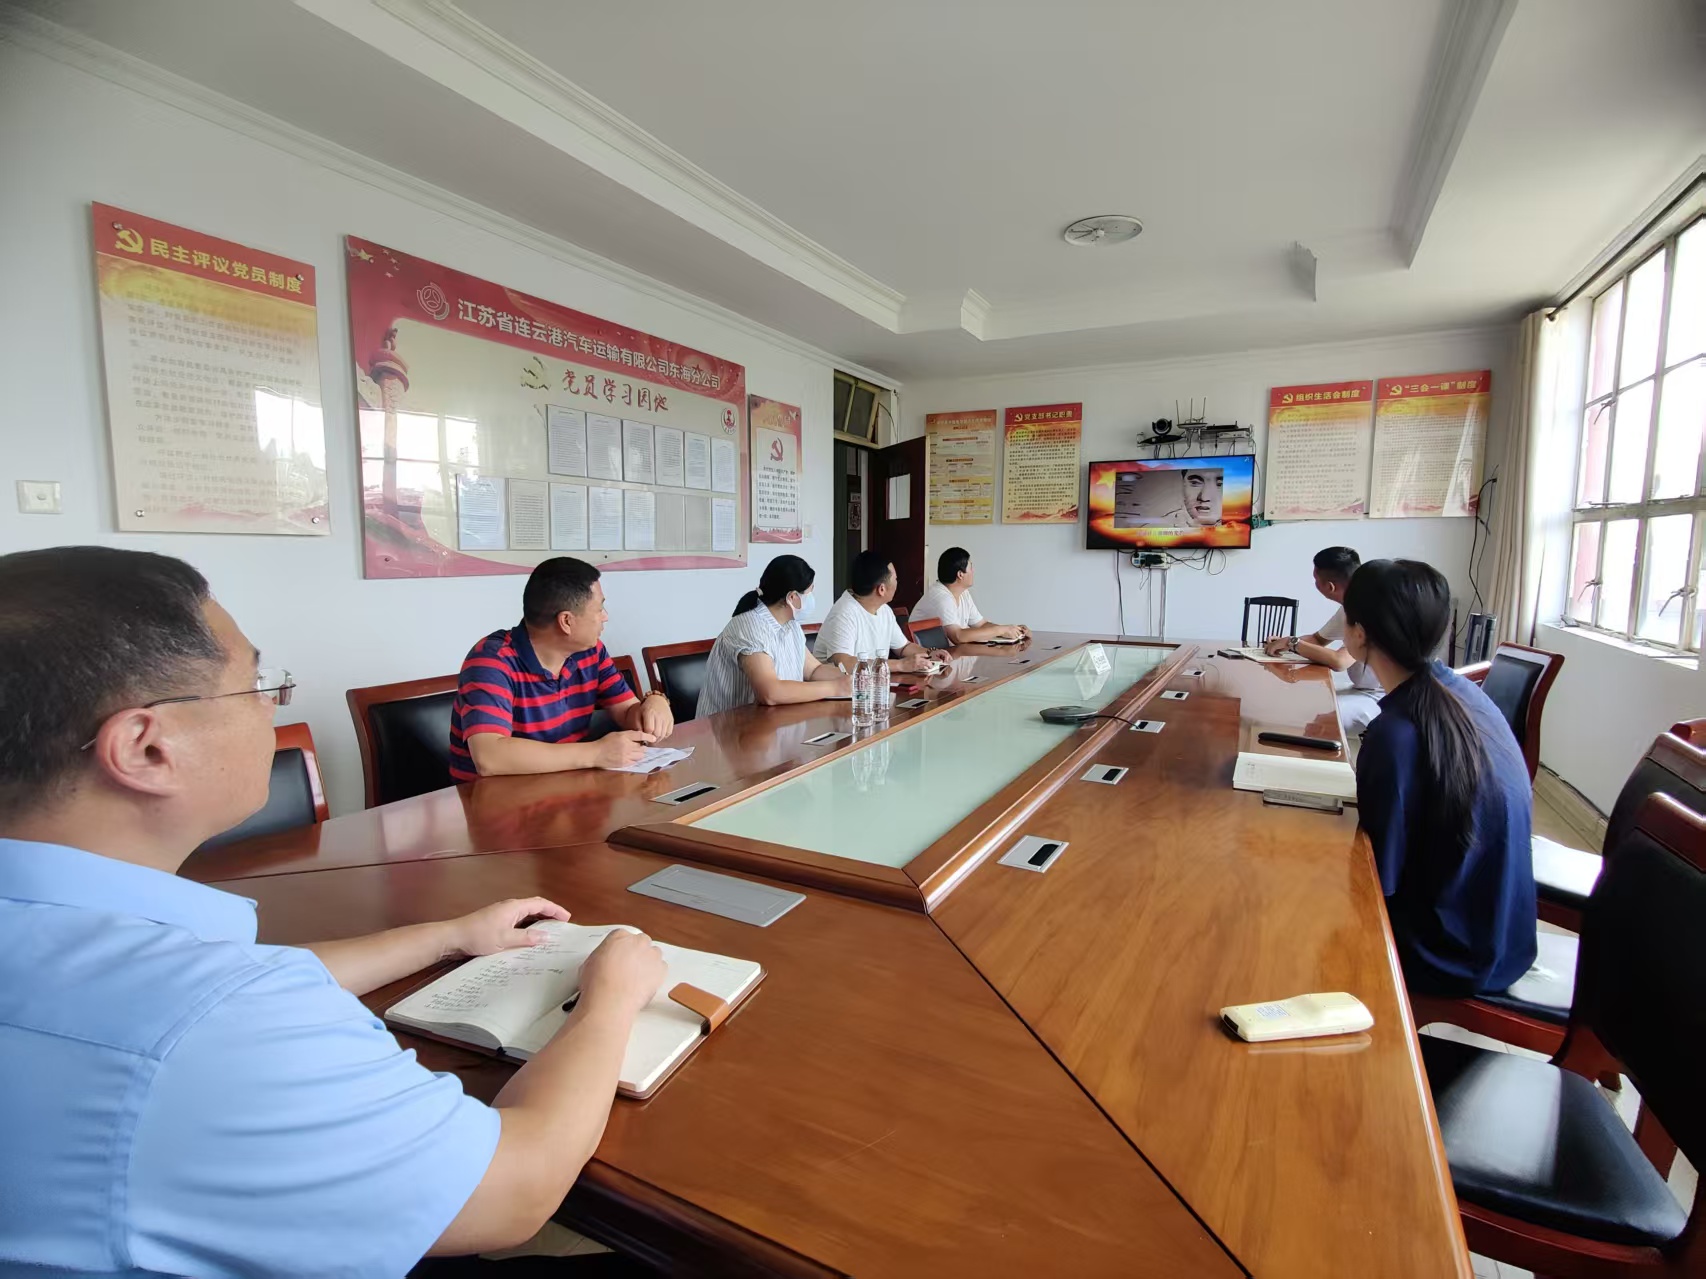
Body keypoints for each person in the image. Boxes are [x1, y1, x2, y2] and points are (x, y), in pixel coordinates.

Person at [0, 546, 667, 1275]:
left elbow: (242, 973)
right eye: (256, 684)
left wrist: (448, 936)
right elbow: (514, 1195)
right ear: (146, 747)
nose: (272, 704)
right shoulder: (223, 1025)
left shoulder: (92, 941)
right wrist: (610, 996)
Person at [1344, 557, 1536, 997]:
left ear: (1359, 634)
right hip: (1502, 935)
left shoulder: (1395, 734)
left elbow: (1375, 882)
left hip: (1450, 954)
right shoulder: (1460, 691)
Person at [452, 556, 674, 779]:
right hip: (497, 796)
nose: (605, 617)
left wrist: (654, 704)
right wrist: (596, 753)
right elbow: (489, 757)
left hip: (567, 786)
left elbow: (626, 712)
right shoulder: (492, 661)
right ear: (566, 621)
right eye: (599, 608)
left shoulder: (591, 652)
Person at [697, 554, 851, 717]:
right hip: (728, 728)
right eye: (809, 592)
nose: (812, 599)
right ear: (792, 597)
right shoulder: (749, 627)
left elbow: (813, 670)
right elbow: (770, 693)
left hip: (770, 722)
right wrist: (835, 688)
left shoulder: (791, 625)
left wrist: (853, 680)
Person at [1263, 546, 1384, 732]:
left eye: (1315, 579)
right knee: (1304, 699)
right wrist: (1285, 643)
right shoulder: (1350, 605)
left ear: (1330, 587)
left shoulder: (1369, 610)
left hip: (1383, 696)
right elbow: (1318, 639)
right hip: (1361, 687)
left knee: (1316, 721)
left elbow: (1340, 662)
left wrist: (1292, 643)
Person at [813, 550, 951, 674]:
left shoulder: (884, 610)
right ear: (882, 589)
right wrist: (900, 665)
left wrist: (930, 653)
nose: (897, 583)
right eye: (895, 579)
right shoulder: (843, 614)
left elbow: (903, 647)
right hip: (839, 690)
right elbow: (844, 664)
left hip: (871, 685)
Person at [911, 548, 1028, 645]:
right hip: (929, 660)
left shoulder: (963, 593)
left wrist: (1012, 630)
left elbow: (981, 624)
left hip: (952, 655)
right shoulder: (941, 597)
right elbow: (958, 636)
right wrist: (1000, 630)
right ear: (960, 574)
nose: (973, 571)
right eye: (971, 567)